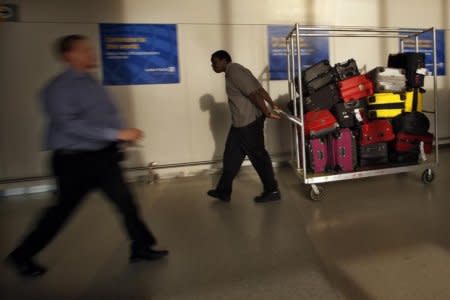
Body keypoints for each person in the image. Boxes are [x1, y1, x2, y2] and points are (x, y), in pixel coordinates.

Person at [6, 35, 168, 278]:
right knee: (61, 211)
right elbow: (69, 125)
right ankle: (21, 255)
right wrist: (118, 133)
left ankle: (141, 247)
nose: (91, 54)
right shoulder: (58, 88)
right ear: (69, 56)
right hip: (74, 162)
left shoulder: (91, 83)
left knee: (127, 204)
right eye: (85, 50)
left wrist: (120, 139)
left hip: (102, 159)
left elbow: (102, 117)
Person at [207, 50, 281, 203]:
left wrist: (267, 111)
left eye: (214, 61)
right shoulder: (235, 71)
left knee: (259, 157)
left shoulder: (234, 70)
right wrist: (272, 103)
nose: (212, 65)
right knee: (231, 158)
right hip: (239, 125)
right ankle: (223, 191)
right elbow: (259, 89)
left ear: (223, 60)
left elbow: (254, 93)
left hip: (249, 124)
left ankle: (272, 190)